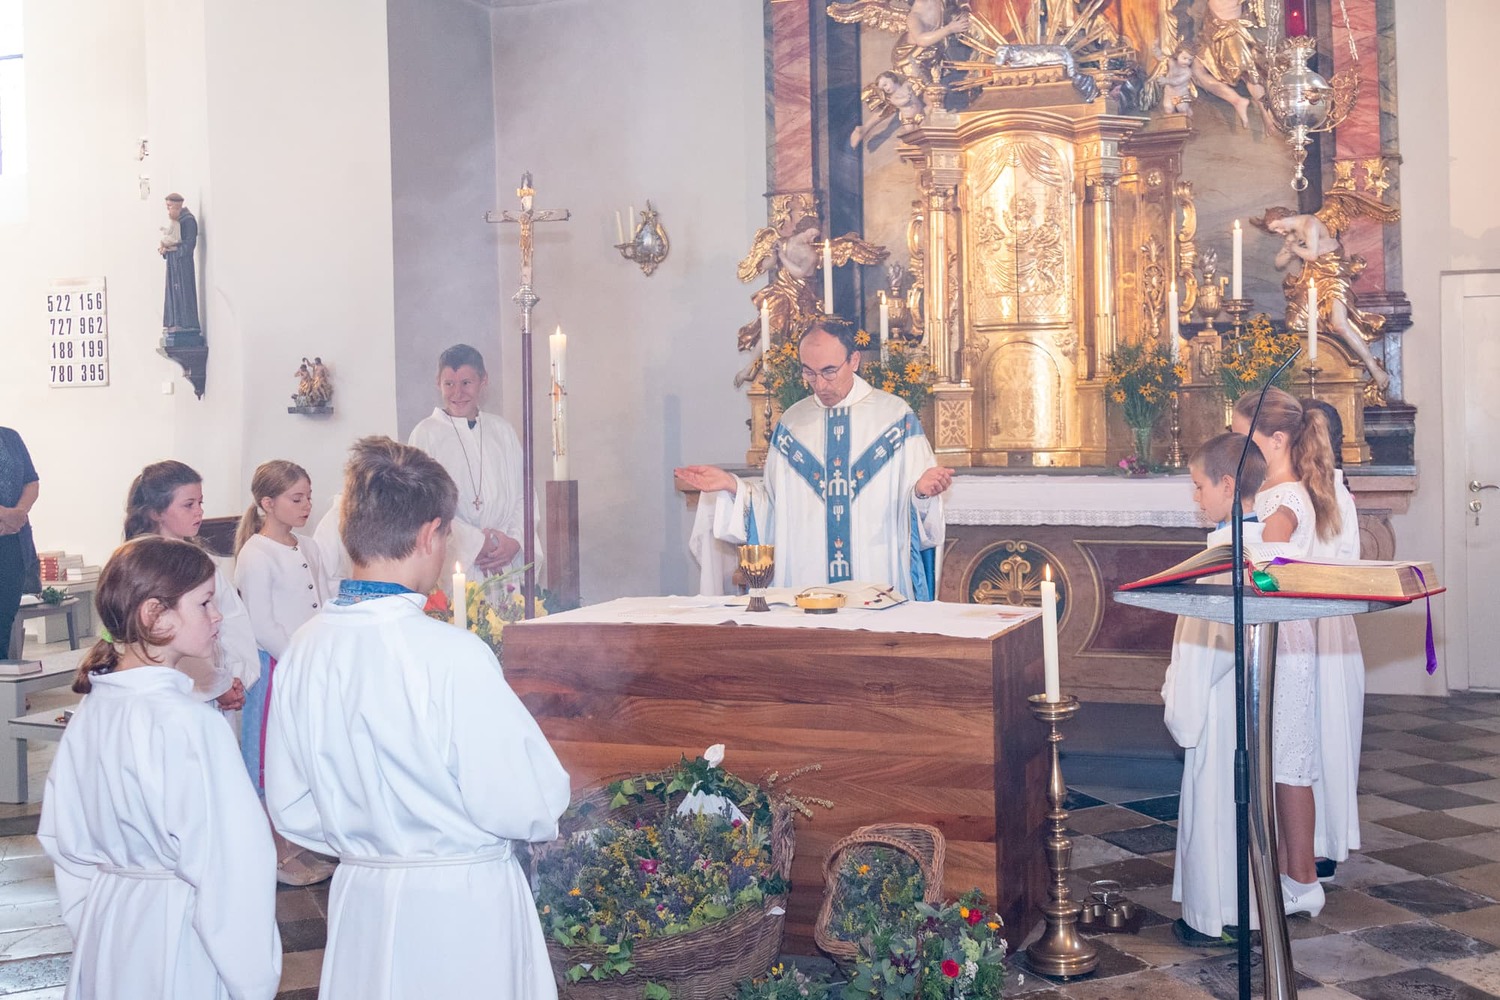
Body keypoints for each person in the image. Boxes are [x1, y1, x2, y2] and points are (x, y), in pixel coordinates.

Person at [264, 436, 570, 1000]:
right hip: (461, 906)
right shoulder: (450, 654)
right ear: (431, 534)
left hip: (362, 898)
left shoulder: (305, 648)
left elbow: (290, 805)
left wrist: (370, 842)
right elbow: (524, 800)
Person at [39, 536, 282, 999]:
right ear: (156, 614)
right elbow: (232, 864)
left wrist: (94, 922)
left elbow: (63, 842)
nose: (217, 617)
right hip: (181, 935)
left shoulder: (92, 712)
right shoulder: (191, 722)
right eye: (205, 603)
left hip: (109, 927)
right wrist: (253, 980)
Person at [677, 318, 953, 600]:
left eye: (829, 371)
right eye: (809, 372)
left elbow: (918, 516)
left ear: (854, 360)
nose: (819, 384)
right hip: (806, 585)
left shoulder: (896, 418)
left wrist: (921, 494)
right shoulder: (791, 424)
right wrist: (733, 486)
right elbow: (773, 509)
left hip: (876, 579)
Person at [1233, 388, 1336, 918]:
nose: (1237, 448)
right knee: (1281, 758)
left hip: (1284, 640)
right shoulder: (1278, 490)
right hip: (1284, 636)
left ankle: (1301, 879)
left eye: (1243, 437)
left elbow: (1270, 568)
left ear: (1275, 440)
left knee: (1288, 761)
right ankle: (1290, 873)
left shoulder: (1283, 498)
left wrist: (1240, 559)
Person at [1164, 432, 1269, 944]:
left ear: (1227, 486)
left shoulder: (1221, 560)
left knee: (1214, 808)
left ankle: (1212, 917)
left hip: (1217, 707)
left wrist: (1179, 707)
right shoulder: (1264, 547)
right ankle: (1246, 910)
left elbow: (1201, 652)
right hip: (1249, 702)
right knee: (1243, 806)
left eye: (1199, 485)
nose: (1196, 496)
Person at [232, 460, 336, 887]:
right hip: (276, 667)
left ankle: (296, 839)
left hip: (309, 664)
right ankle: (274, 850)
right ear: (267, 503)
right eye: (297, 498)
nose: (307, 505)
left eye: (309, 496)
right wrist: (299, 660)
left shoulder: (308, 547)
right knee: (266, 757)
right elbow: (261, 624)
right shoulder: (256, 553)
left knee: (299, 754)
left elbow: (324, 604)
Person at [124, 461, 255, 712]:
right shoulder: (146, 565)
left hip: (213, 678)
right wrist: (217, 685)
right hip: (175, 689)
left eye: (200, 503)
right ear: (156, 512)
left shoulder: (200, 559)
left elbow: (231, 618)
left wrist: (233, 675)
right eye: (188, 505)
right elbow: (177, 637)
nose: (199, 512)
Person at [1298, 399, 1366, 879]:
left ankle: (1307, 846)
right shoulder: (1339, 494)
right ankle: (1325, 845)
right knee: (1333, 736)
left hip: (1306, 628)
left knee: (1309, 737)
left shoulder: (1295, 499)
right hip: (1333, 630)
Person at [407, 344, 528, 577]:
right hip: (454, 560)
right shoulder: (425, 435)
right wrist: (474, 543)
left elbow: (524, 494)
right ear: (438, 383)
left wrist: (515, 541)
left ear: (484, 380)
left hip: (504, 558)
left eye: (466, 383)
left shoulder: (502, 431)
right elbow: (423, 506)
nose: (457, 393)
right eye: (449, 384)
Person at [0, 428, 38, 660]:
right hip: (10, 524)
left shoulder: (10, 437)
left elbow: (31, 481)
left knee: (3, 619)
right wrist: (5, 514)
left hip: (13, 542)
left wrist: (18, 513)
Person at [159, 193, 201, 336]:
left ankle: (186, 324)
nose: (168, 210)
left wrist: (174, 249)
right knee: (173, 294)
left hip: (183, 266)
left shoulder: (188, 221)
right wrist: (165, 250)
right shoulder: (175, 221)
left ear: (178, 206)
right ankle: (174, 322)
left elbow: (189, 245)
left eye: (169, 206)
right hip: (174, 265)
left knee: (183, 294)